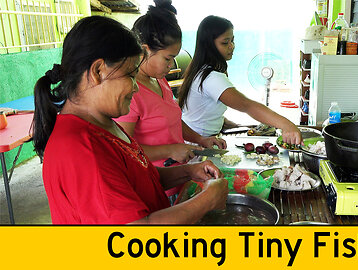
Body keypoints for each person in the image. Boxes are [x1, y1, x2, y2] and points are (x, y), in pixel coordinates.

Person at [32, 15, 228, 224]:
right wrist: (207, 200)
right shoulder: (82, 148)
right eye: (130, 76)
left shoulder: (103, 124)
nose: (135, 88)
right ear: (98, 71)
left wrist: (189, 171)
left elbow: (142, 178)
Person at [115, 0, 226, 198]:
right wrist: (170, 150)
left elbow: (172, 120)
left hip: (179, 178)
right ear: (145, 50)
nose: (171, 64)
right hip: (154, 185)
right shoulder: (130, 93)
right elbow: (124, 151)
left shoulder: (159, 81)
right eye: (167, 58)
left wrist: (200, 139)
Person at [178, 15, 302, 145]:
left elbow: (204, 113)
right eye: (225, 42)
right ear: (209, 45)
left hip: (203, 139)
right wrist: (286, 124)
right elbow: (246, 105)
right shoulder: (211, 78)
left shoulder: (202, 70)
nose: (231, 46)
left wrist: (230, 124)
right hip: (199, 144)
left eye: (232, 40)